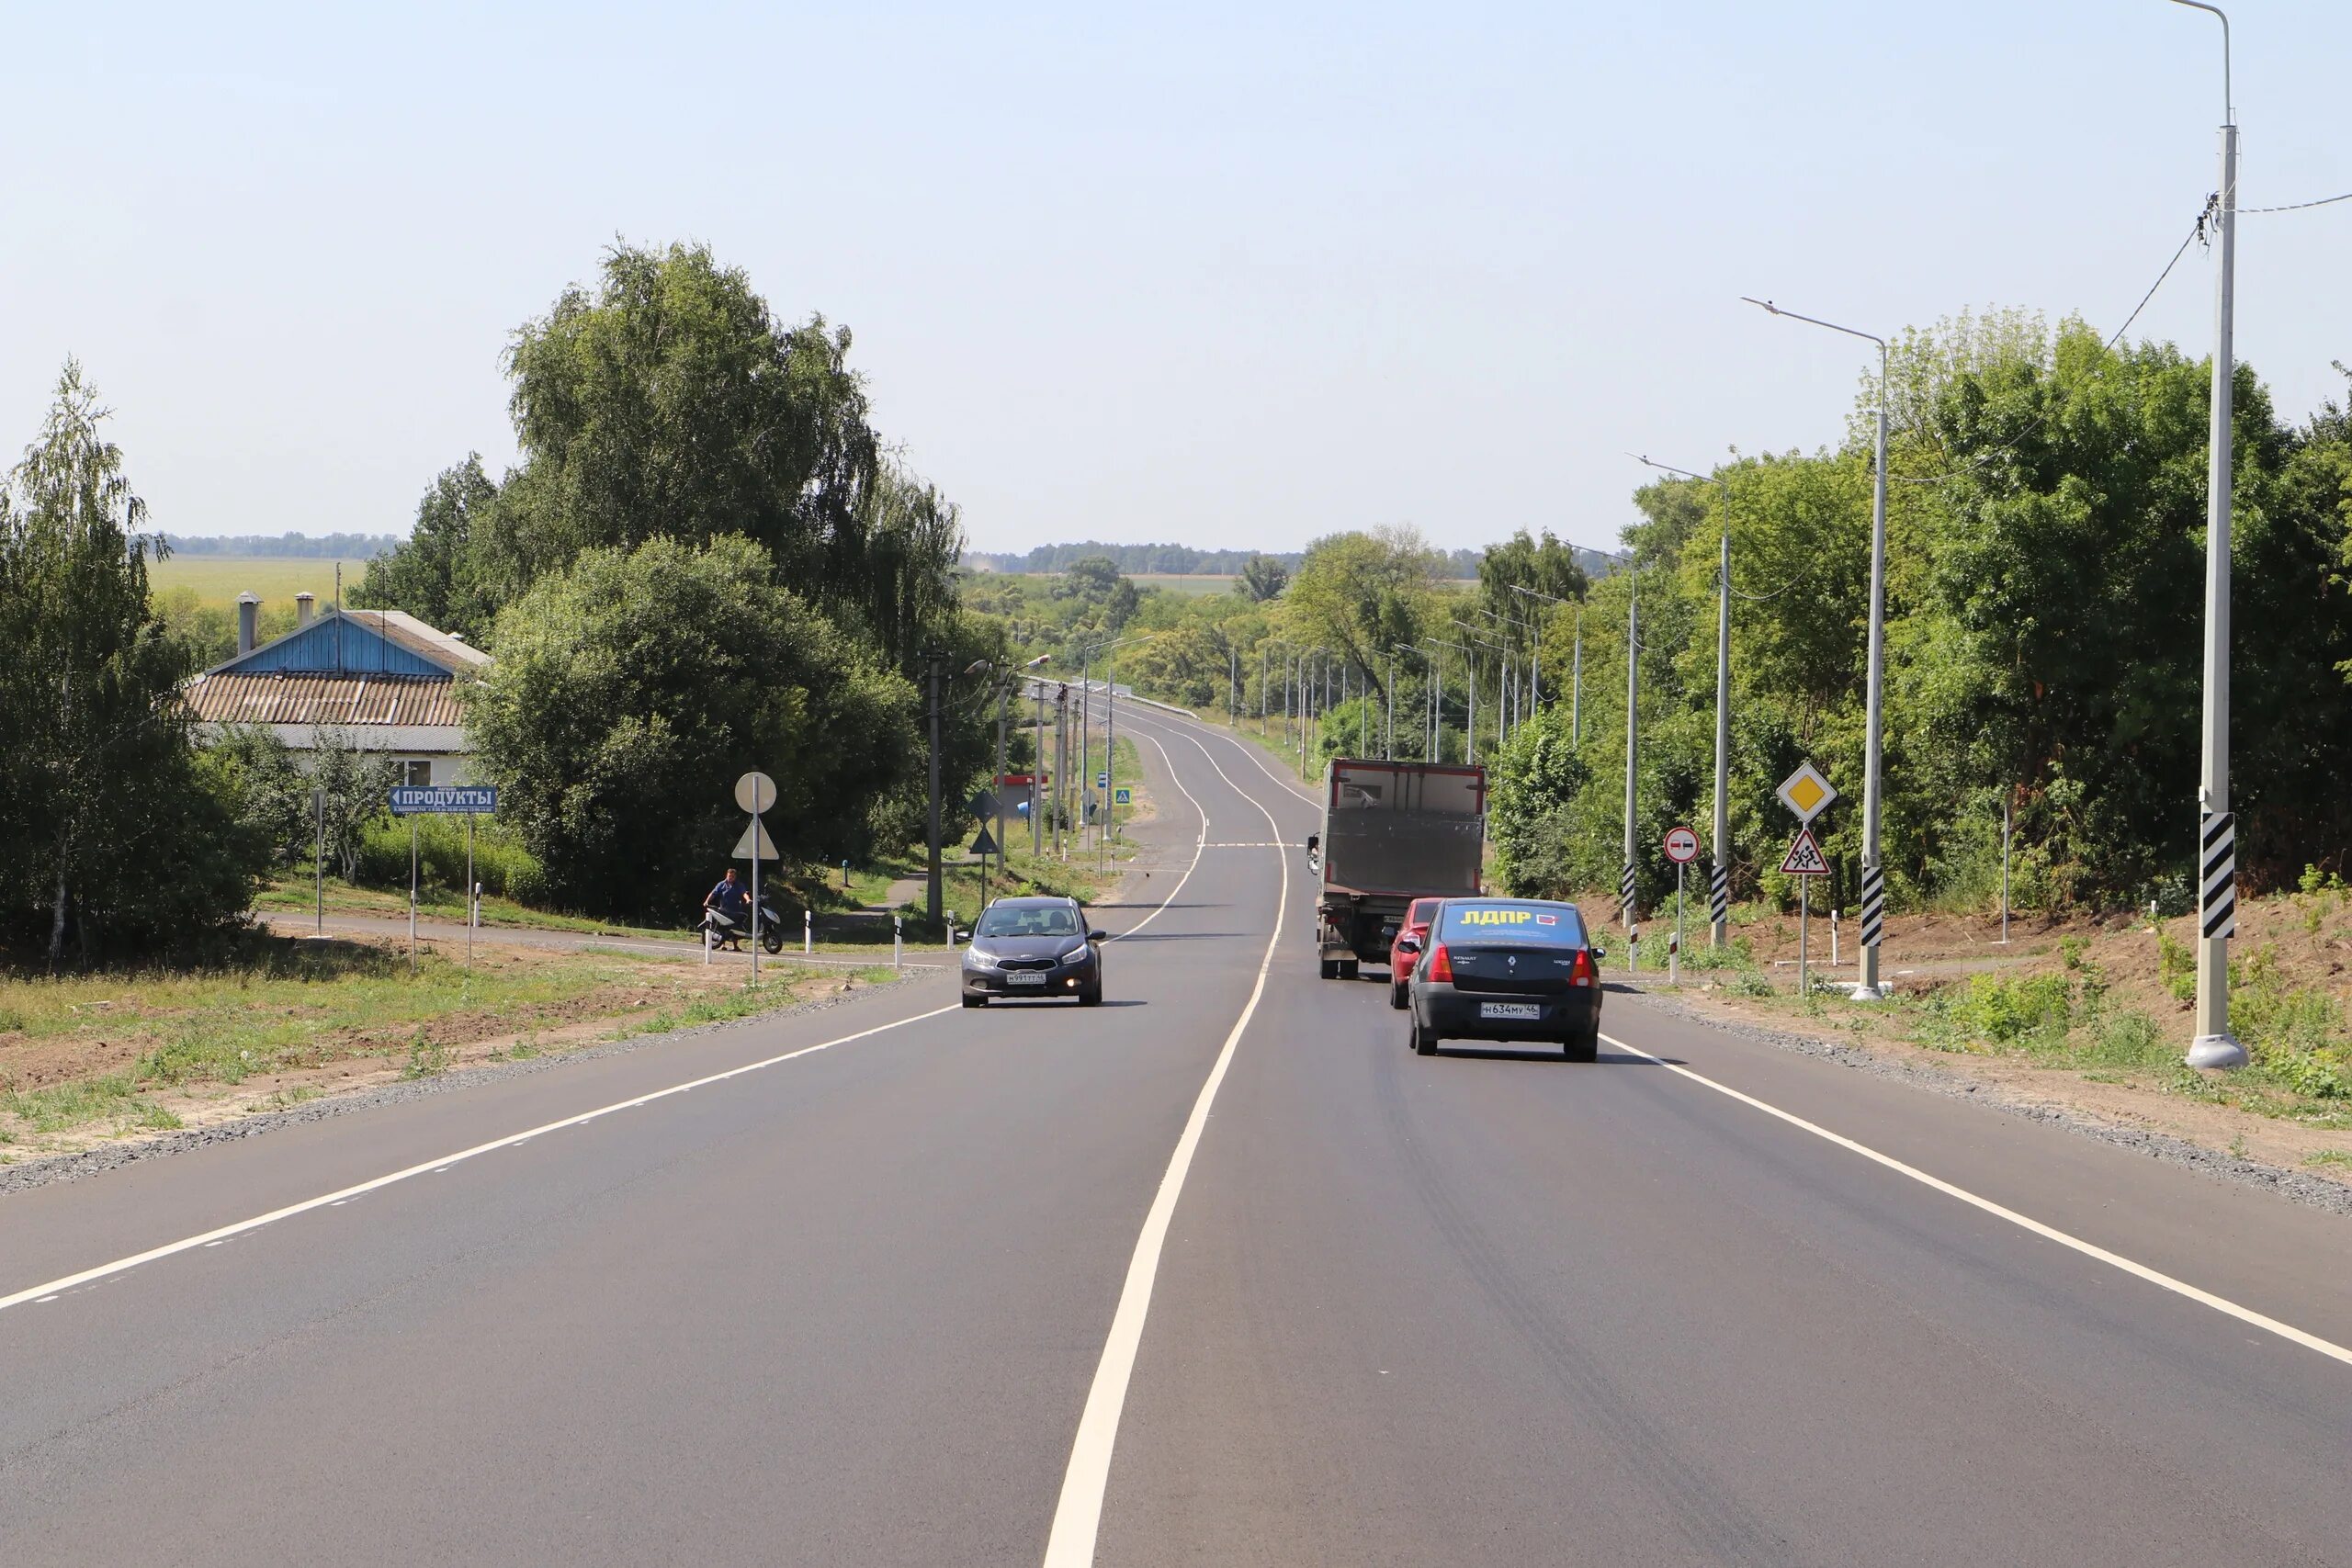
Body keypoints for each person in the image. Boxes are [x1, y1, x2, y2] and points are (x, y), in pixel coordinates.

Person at [705, 866, 750, 942]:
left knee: (735, 928)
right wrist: (707, 901)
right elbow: (713, 893)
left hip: (735, 910)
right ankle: (723, 944)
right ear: (726, 875)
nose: (731, 878)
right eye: (729, 876)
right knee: (724, 927)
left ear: (735, 877)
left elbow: (744, 893)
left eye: (733, 876)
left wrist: (748, 899)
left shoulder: (739, 885)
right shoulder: (721, 884)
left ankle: (735, 946)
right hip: (724, 911)